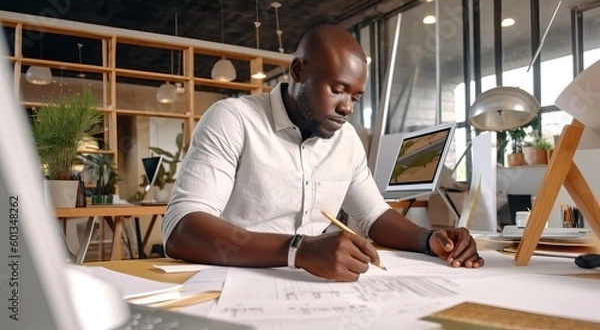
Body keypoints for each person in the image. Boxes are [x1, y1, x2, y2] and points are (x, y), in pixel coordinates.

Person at [162, 24, 484, 282]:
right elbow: (181, 230)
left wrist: (430, 239)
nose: (346, 108)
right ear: (299, 72)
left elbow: (374, 215)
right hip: (231, 281)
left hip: (311, 287)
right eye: (337, 89)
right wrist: (297, 250)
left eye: (355, 97)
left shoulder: (346, 141)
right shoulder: (233, 119)